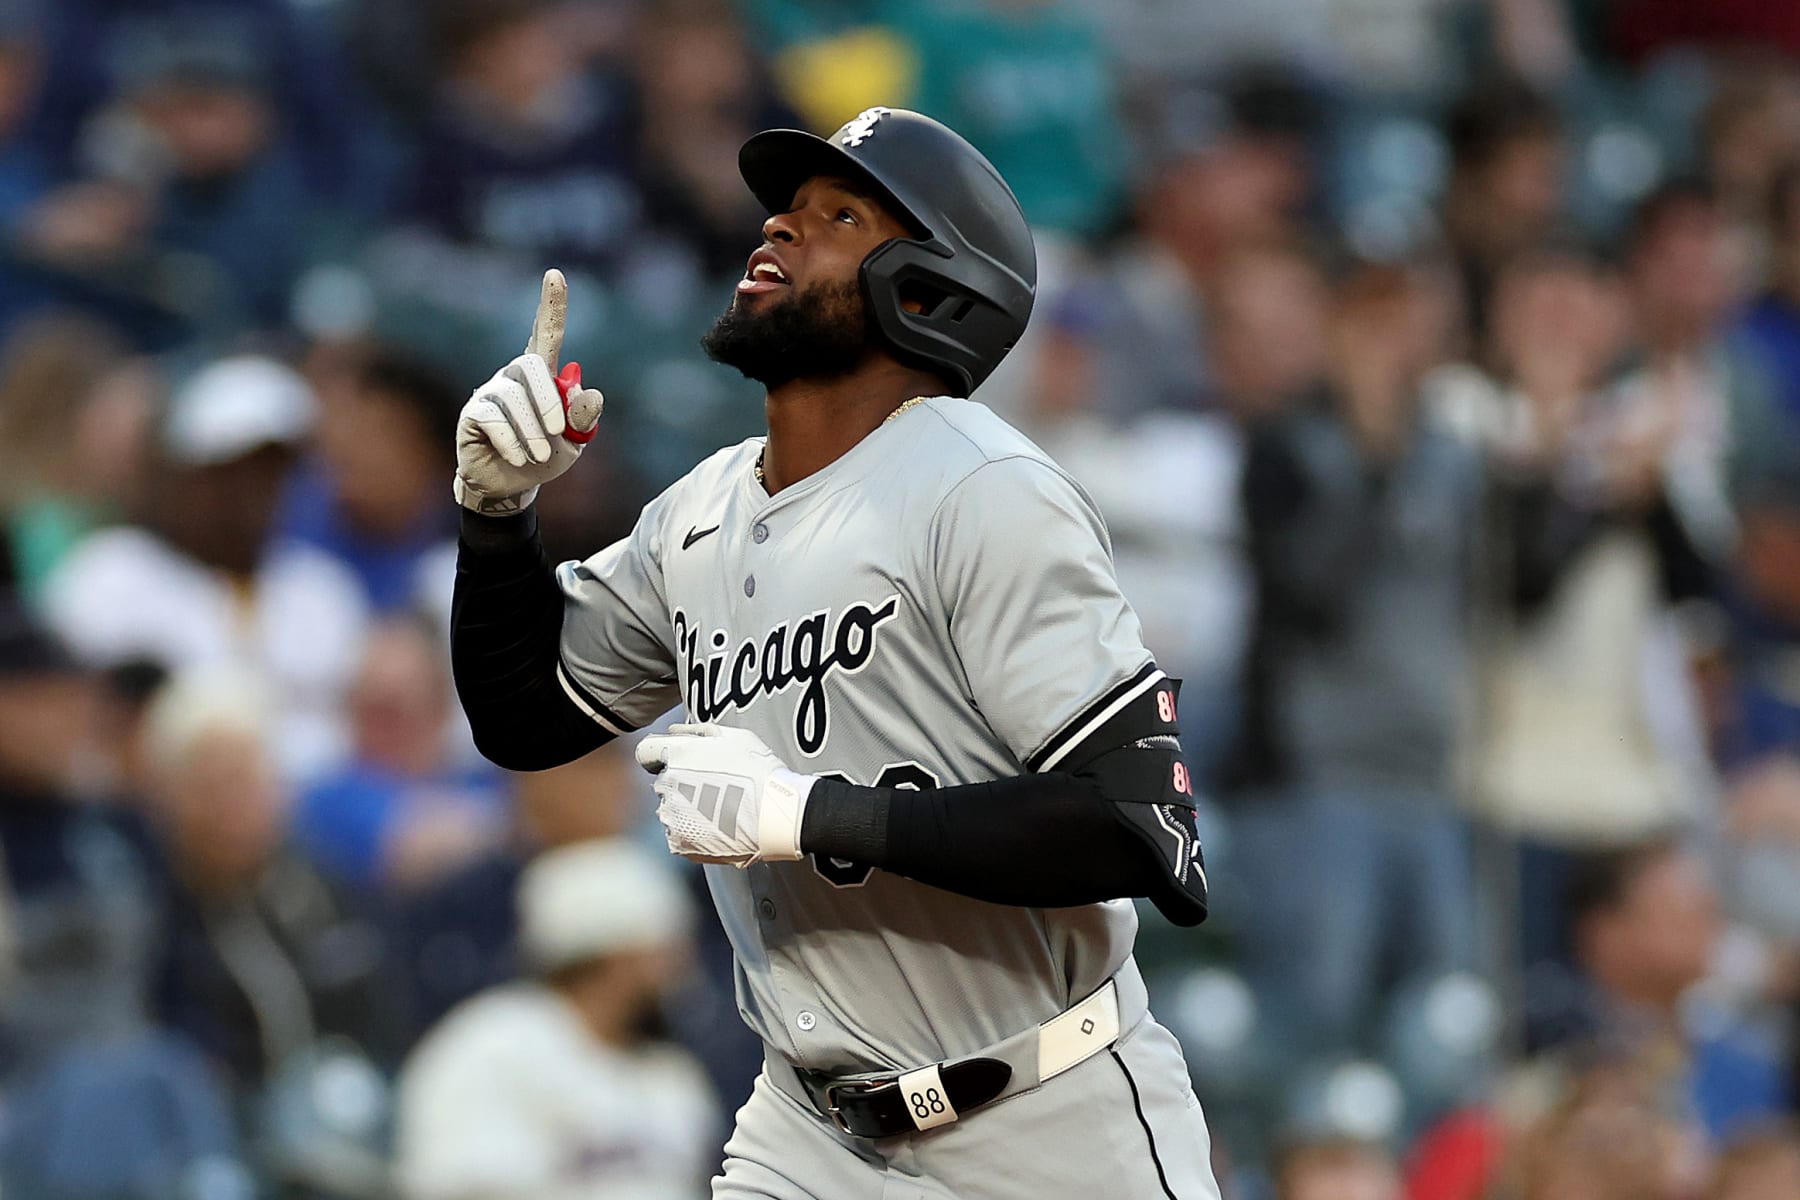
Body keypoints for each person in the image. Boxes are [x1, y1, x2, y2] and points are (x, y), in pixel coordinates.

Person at [449, 107, 1220, 1198]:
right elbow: (523, 716)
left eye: (838, 214)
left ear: (926, 288)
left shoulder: (982, 487)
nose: (781, 223)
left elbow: (1139, 829)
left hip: (1046, 1119)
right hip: (807, 1135)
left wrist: (810, 815)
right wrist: (494, 514)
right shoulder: (698, 515)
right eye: (787, 205)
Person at [394, 838, 718, 1200]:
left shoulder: (670, 1073)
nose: (680, 969)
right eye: (665, 951)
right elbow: (459, 1185)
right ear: (618, 958)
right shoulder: (490, 1045)